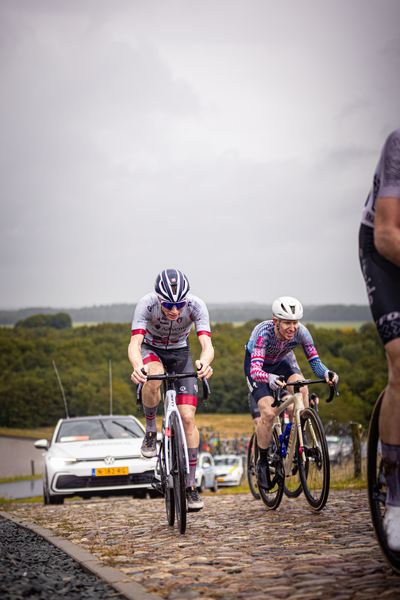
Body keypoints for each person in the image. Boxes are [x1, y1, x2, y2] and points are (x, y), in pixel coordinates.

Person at [128, 268, 214, 511]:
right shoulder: (146, 304)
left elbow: (206, 344)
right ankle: (152, 430)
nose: (175, 310)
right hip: (151, 349)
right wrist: (138, 367)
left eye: (180, 304)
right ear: (158, 299)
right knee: (152, 376)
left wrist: (204, 362)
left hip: (180, 353)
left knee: (187, 418)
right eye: (168, 305)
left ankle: (189, 485)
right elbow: (135, 343)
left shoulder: (197, 305)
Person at [244, 296, 338, 490]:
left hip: (283, 363)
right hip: (258, 368)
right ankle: (262, 461)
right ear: (276, 321)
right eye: (287, 323)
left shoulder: (302, 332)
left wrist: (327, 372)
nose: (292, 328)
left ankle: (295, 439)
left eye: (295, 323)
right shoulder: (264, 332)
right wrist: (268, 378)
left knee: (302, 389)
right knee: (269, 414)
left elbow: (315, 362)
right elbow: (255, 370)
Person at [359, 128, 400, 551]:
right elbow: (387, 233)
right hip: (384, 246)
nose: (288, 328)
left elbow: (312, 359)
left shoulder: (302, 335)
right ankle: (396, 494)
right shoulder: (399, 145)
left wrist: (327, 377)